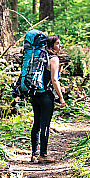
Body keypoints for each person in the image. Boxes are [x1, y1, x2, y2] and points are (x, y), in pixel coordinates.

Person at [30, 34, 65, 163]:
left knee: (36, 124)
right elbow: (54, 80)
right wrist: (61, 97)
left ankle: (34, 153)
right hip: (46, 96)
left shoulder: (40, 57)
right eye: (57, 43)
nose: (60, 46)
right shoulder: (54, 59)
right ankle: (43, 154)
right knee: (45, 124)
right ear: (51, 45)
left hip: (35, 94)